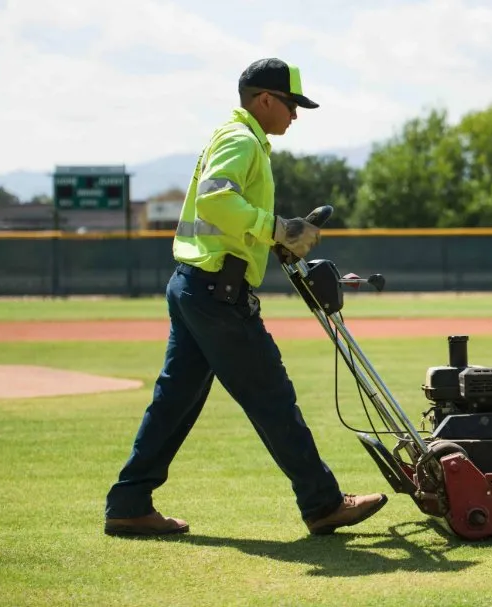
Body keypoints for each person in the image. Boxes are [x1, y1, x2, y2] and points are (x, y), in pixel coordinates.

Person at [104, 58, 387, 537]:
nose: (295, 115)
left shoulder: (236, 138)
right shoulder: (240, 140)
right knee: (272, 396)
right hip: (218, 291)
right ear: (264, 100)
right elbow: (217, 200)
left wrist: (275, 237)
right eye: (292, 105)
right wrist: (276, 227)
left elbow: (226, 214)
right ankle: (322, 503)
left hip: (197, 284)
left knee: (174, 401)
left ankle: (129, 502)